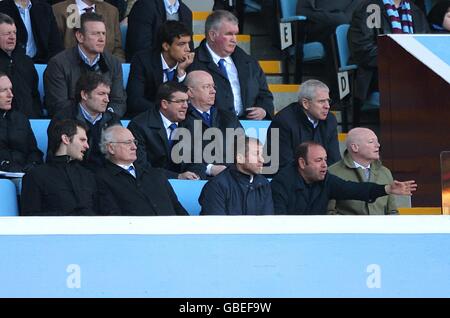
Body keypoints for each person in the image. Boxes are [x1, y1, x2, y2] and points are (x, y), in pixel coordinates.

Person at [271, 141, 417, 215]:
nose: (324, 165)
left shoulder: (326, 179)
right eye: (318, 160)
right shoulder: (282, 182)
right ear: (302, 163)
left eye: (325, 160)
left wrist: (387, 188)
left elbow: (354, 189)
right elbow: (279, 221)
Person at [348, 0, 429, 124]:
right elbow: (364, 50)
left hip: (411, 70)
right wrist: (401, 58)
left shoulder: (415, 11)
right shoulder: (372, 9)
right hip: (378, 72)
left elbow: (426, 46)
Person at [189, 10, 273, 120]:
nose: (234, 39)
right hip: (211, 128)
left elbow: (265, 94)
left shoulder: (249, 62)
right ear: (213, 35)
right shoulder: (192, 63)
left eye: (235, 34)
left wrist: (263, 110)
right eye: (229, 34)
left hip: (248, 126)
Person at [44, 12, 126, 117]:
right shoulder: (58, 64)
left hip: (104, 123)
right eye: (95, 34)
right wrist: (89, 115)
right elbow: (58, 105)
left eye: (103, 33)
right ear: (80, 36)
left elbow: (118, 102)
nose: (101, 39)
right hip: (71, 125)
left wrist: (104, 118)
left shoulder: (113, 63)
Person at [96, 125, 188, 215]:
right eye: (128, 143)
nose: (134, 147)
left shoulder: (156, 175)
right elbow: (112, 216)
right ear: (111, 148)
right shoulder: (101, 179)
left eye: (134, 142)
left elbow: (178, 209)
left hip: (174, 228)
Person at [20, 119, 98, 216]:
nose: (87, 146)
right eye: (82, 140)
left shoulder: (89, 176)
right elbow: (29, 217)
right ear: (65, 139)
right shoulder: (35, 176)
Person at [47, 72, 121, 171]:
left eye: (108, 94)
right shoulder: (63, 119)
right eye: (101, 94)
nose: (107, 100)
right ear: (84, 95)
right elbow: (56, 157)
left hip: (107, 177)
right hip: (74, 176)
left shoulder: (113, 120)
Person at [127, 81, 199, 180]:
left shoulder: (191, 123)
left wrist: (194, 175)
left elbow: (198, 160)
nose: (185, 106)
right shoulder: (139, 126)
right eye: (180, 101)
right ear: (164, 104)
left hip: (187, 184)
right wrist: (177, 177)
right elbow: (141, 165)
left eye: (187, 101)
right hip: (151, 184)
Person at [265, 79, 340, 173]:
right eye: (321, 101)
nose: (327, 106)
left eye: (328, 101)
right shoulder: (282, 121)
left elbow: (334, 160)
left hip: (321, 179)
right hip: (291, 181)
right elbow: (283, 164)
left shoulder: (330, 120)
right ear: (305, 103)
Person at [126, 20, 194, 118]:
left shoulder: (190, 63)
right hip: (148, 118)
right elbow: (135, 101)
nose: (188, 49)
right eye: (181, 44)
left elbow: (191, 102)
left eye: (188, 43)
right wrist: (165, 111)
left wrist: (181, 74)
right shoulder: (143, 61)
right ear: (166, 46)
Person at [183, 70, 242, 179]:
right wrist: (209, 168)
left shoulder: (228, 117)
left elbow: (243, 146)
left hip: (232, 177)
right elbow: (182, 153)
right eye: (206, 87)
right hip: (198, 178)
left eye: (213, 87)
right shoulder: (181, 118)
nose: (213, 91)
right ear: (190, 92)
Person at [296, 0, 361, 97]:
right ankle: (339, 93)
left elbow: (348, 18)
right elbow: (302, 11)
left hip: (348, 31)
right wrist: (335, 17)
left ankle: (347, 94)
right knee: (334, 33)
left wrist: (325, 15)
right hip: (318, 29)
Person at [327, 127, 398, 215]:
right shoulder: (333, 172)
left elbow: (392, 211)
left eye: (377, 141)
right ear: (355, 147)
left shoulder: (385, 172)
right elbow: (329, 213)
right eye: (371, 142)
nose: (378, 145)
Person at [199, 136, 274, 215]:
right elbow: (216, 225)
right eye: (256, 154)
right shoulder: (216, 186)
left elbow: (268, 223)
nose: (262, 160)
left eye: (262, 155)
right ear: (240, 158)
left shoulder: (264, 184)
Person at [0, 13, 42, 118]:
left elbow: (34, 95)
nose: (12, 37)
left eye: (14, 33)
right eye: (7, 33)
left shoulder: (26, 61)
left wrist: (37, 115)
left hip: (29, 120)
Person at [52, 0, 124, 60]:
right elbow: (55, 50)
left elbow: (117, 50)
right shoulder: (58, 11)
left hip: (105, 72)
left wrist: (112, 70)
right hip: (70, 72)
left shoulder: (112, 11)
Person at [0, 72, 43, 172]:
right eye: (3, 90)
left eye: (10, 89)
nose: (10, 95)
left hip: (24, 173)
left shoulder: (21, 119)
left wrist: (33, 164)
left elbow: (34, 151)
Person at [126, 0, 192, 62]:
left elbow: (189, 48)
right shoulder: (144, 6)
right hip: (148, 69)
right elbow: (141, 49)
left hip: (178, 69)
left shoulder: (186, 12)